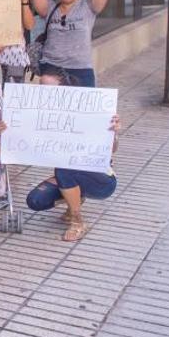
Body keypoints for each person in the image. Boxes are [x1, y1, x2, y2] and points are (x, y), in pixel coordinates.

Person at [20, 71, 119, 241]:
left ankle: (77, 221)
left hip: (102, 180)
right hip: (68, 173)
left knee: (64, 167)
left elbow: (112, 150)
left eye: (48, 89)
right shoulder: (43, 117)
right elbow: (21, 144)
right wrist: (7, 132)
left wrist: (113, 132)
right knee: (35, 200)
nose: (42, 93)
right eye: (40, 88)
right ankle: (75, 196)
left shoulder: (89, 114)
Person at [28, 0, 130, 87]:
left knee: (85, 107)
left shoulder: (88, 6)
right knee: (48, 84)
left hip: (81, 68)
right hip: (52, 65)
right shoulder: (50, 7)